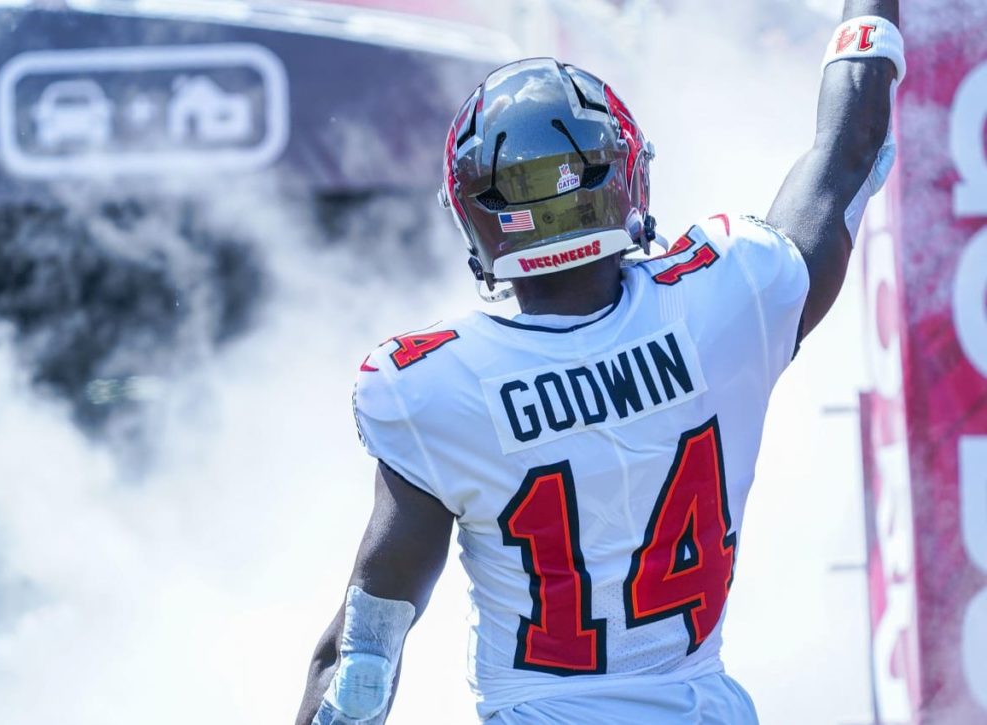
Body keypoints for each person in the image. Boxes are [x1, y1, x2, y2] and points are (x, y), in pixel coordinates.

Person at [297, 1, 903, 722]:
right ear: (626, 178)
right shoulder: (727, 297)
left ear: (475, 220)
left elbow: (361, 664)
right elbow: (851, 145)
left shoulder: (437, 388)